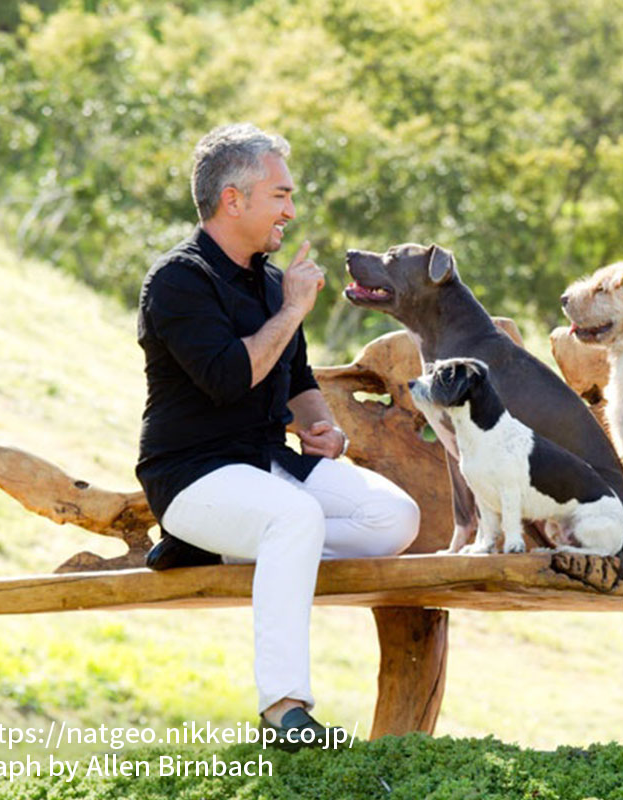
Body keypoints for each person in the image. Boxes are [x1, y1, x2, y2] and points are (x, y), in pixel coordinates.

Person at [135, 123, 420, 750]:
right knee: (293, 519)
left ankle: (227, 549)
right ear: (233, 200)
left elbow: (294, 380)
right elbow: (229, 376)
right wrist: (292, 310)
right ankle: (285, 713)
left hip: (269, 466)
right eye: (280, 196)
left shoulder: (269, 281)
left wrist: (322, 424)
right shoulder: (177, 281)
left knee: (394, 519)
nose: (291, 210)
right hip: (193, 476)